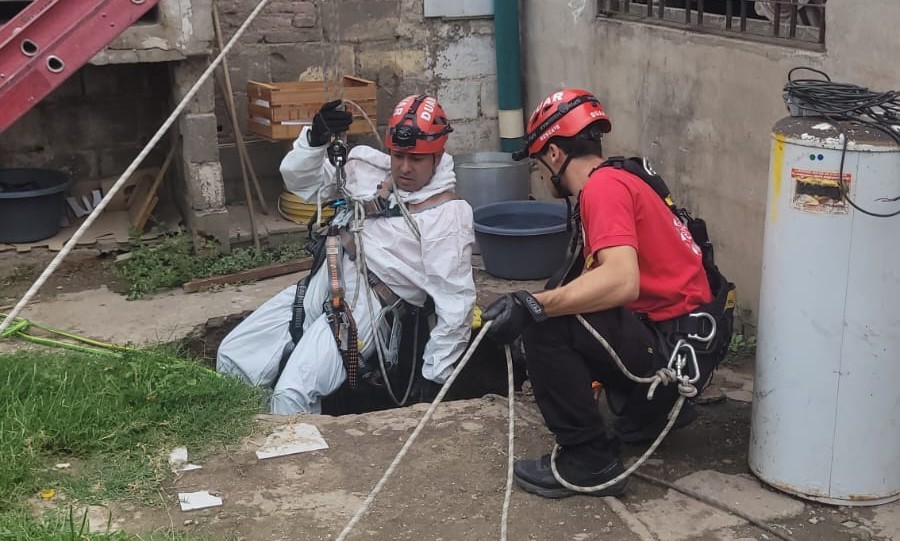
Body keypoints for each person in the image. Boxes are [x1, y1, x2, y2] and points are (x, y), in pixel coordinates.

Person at [482, 88, 732, 498]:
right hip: (684, 347)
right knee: (561, 295)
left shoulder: (603, 190)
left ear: (556, 155)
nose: (542, 175)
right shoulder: (625, 178)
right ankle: (648, 413)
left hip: (670, 355)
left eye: (539, 163)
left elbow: (621, 282)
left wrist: (532, 307)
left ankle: (588, 461)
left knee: (544, 324)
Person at [217, 95, 476, 415]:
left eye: (417, 158)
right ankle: (245, 439)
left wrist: (435, 374)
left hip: (366, 309)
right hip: (323, 282)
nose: (405, 167)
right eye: (398, 155)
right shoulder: (365, 171)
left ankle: (295, 463)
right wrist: (314, 140)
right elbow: (304, 185)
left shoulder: (447, 216)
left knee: (290, 395)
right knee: (232, 356)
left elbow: (456, 303)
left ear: (438, 154)